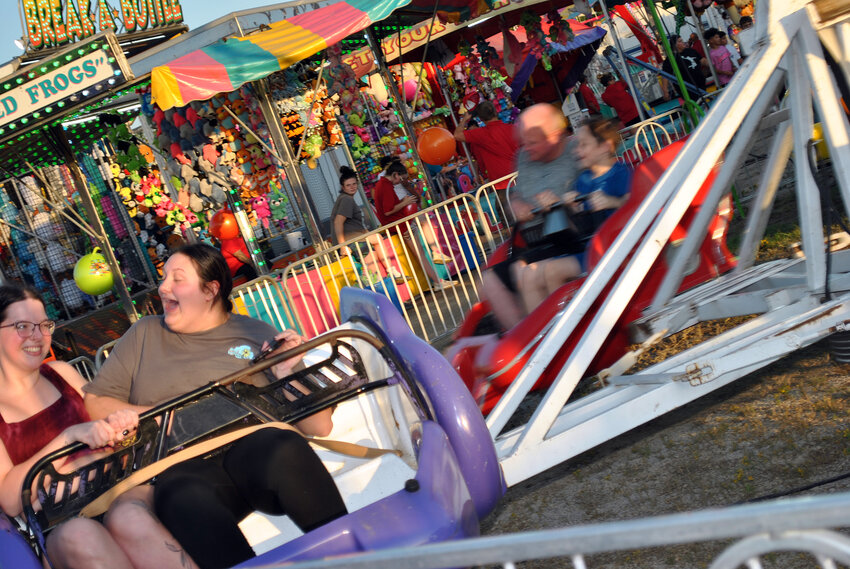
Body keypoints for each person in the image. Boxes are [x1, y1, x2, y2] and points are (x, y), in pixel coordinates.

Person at [51, 244, 345, 569]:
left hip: (253, 452)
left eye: (177, 279)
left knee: (279, 445)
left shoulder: (254, 332)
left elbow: (319, 427)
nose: (163, 288)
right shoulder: (145, 333)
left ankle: (353, 555)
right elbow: (96, 402)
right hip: (181, 467)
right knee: (180, 494)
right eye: (163, 278)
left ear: (210, 290)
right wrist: (158, 412)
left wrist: (285, 372)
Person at [0, 283, 141, 569]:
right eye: (23, 326)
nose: (38, 336)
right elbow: (10, 498)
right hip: (62, 520)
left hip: (117, 486)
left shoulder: (62, 373)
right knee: (82, 535)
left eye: (44, 325)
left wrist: (122, 428)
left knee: (133, 518)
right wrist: (69, 439)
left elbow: (108, 432)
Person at [479, 103, 581, 330]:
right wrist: (515, 204)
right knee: (489, 282)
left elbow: (588, 197)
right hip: (533, 240)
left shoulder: (576, 152)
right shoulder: (523, 157)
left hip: (565, 238)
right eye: (524, 141)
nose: (526, 148)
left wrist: (559, 202)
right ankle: (520, 336)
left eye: (532, 142)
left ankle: (543, 335)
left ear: (554, 136)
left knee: (523, 272)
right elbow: (516, 194)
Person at [516, 118, 631, 314]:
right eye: (577, 145)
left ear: (605, 146)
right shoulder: (582, 181)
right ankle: (541, 331)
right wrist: (560, 206)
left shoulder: (621, 174)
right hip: (587, 247)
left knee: (552, 270)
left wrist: (612, 202)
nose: (577, 151)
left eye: (584, 145)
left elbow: (636, 204)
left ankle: (567, 327)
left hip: (612, 248)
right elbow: (578, 227)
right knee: (527, 273)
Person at [372, 159, 455, 289]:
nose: (400, 182)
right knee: (420, 254)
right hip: (400, 224)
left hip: (402, 221)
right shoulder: (386, 185)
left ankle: (437, 271)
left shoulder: (383, 184)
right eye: (400, 179)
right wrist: (404, 203)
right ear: (395, 174)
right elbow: (388, 211)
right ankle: (438, 281)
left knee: (420, 249)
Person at [331, 165, 406, 284]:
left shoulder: (345, 198)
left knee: (377, 238)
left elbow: (350, 224)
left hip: (356, 238)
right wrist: (342, 246)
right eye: (348, 185)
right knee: (374, 275)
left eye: (354, 184)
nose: (352, 187)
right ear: (342, 187)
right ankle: (386, 289)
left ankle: (391, 271)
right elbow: (338, 222)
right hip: (353, 241)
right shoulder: (346, 200)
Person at [453, 100, 519, 190]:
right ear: (496, 112)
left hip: (501, 183)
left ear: (480, 118)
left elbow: (457, 135)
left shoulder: (481, 134)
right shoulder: (512, 128)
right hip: (519, 176)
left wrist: (465, 119)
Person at [662, 34, 708, 100]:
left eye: (682, 40)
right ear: (675, 45)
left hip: (701, 84)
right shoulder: (671, 58)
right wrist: (665, 91)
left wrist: (711, 64)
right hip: (687, 88)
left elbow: (702, 60)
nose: (683, 42)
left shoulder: (691, 51)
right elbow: (665, 75)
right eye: (680, 41)